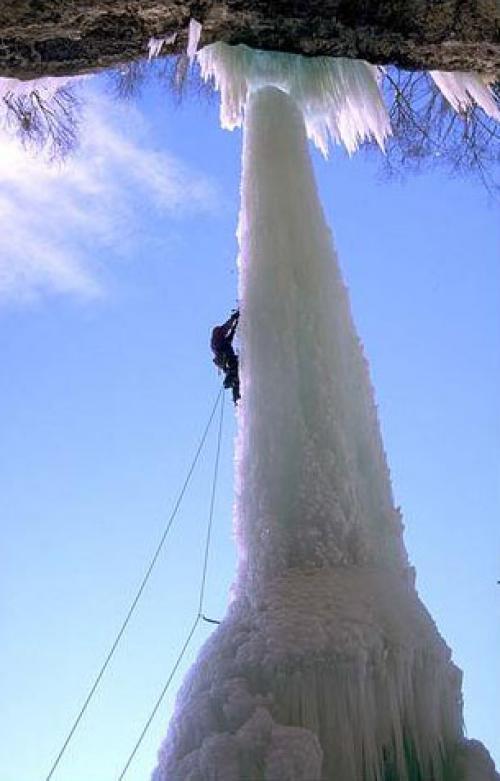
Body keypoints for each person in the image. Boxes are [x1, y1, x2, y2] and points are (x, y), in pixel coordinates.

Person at [211, 310, 240, 404]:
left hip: (229, 366)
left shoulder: (221, 342)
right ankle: (237, 399)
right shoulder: (219, 341)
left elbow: (230, 333)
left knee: (236, 382)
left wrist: (236, 321)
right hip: (230, 365)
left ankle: (237, 400)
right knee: (235, 378)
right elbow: (227, 328)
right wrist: (234, 318)